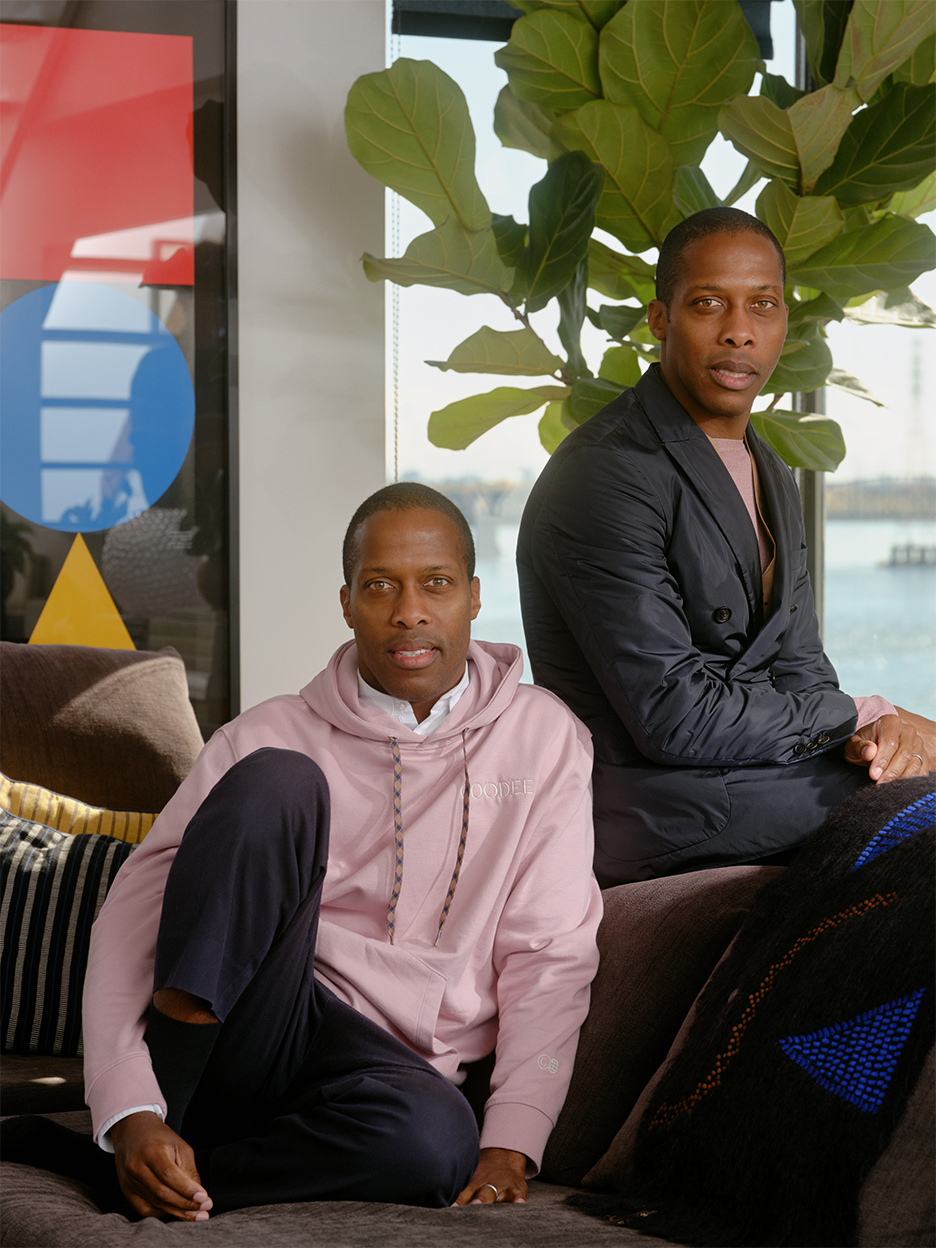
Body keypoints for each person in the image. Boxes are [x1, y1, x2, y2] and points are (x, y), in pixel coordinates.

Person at [4, 484, 600, 1220]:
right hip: (260, 1020)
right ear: (346, 604)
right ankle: (158, 1132)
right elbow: (133, 917)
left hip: (384, 1074)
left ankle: (148, 1178)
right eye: (379, 586)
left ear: (474, 597)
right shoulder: (265, 733)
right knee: (279, 782)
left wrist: (511, 1138)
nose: (409, 611)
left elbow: (550, 951)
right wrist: (132, 1109)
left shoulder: (544, 738)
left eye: (436, 583)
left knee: (436, 1144)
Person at [517, 207, 934, 887]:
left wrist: (871, 741)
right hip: (655, 803)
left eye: (762, 305)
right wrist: (862, 714)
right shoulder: (604, 472)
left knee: (913, 768)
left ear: (784, 321)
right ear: (660, 319)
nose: (739, 330)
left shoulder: (770, 470)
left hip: (757, 775)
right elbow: (672, 716)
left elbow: (801, 668)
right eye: (708, 303)